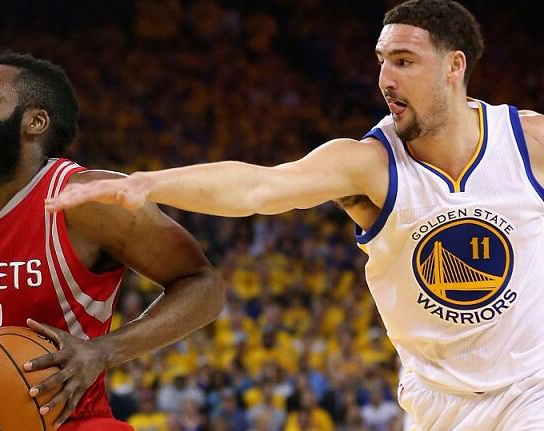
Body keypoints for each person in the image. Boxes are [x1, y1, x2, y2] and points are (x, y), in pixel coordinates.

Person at [45, 0, 544, 429]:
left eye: (404, 61)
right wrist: (148, 183)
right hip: (435, 400)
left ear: (454, 66)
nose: (385, 79)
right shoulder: (369, 163)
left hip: (532, 386)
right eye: (381, 61)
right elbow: (262, 185)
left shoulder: (529, 143)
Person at [0, 52, 225, 431]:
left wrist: (102, 351)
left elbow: (203, 285)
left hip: (77, 422)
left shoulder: (86, 198)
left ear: (35, 121)